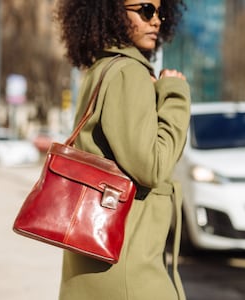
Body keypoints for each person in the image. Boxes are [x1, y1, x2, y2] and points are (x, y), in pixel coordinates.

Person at [54, 0, 190, 299]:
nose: (156, 21)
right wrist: (176, 96)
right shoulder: (129, 73)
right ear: (112, 11)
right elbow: (152, 167)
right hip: (128, 269)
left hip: (94, 263)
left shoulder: (101, 68)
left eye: (159, 12)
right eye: (145, 10)